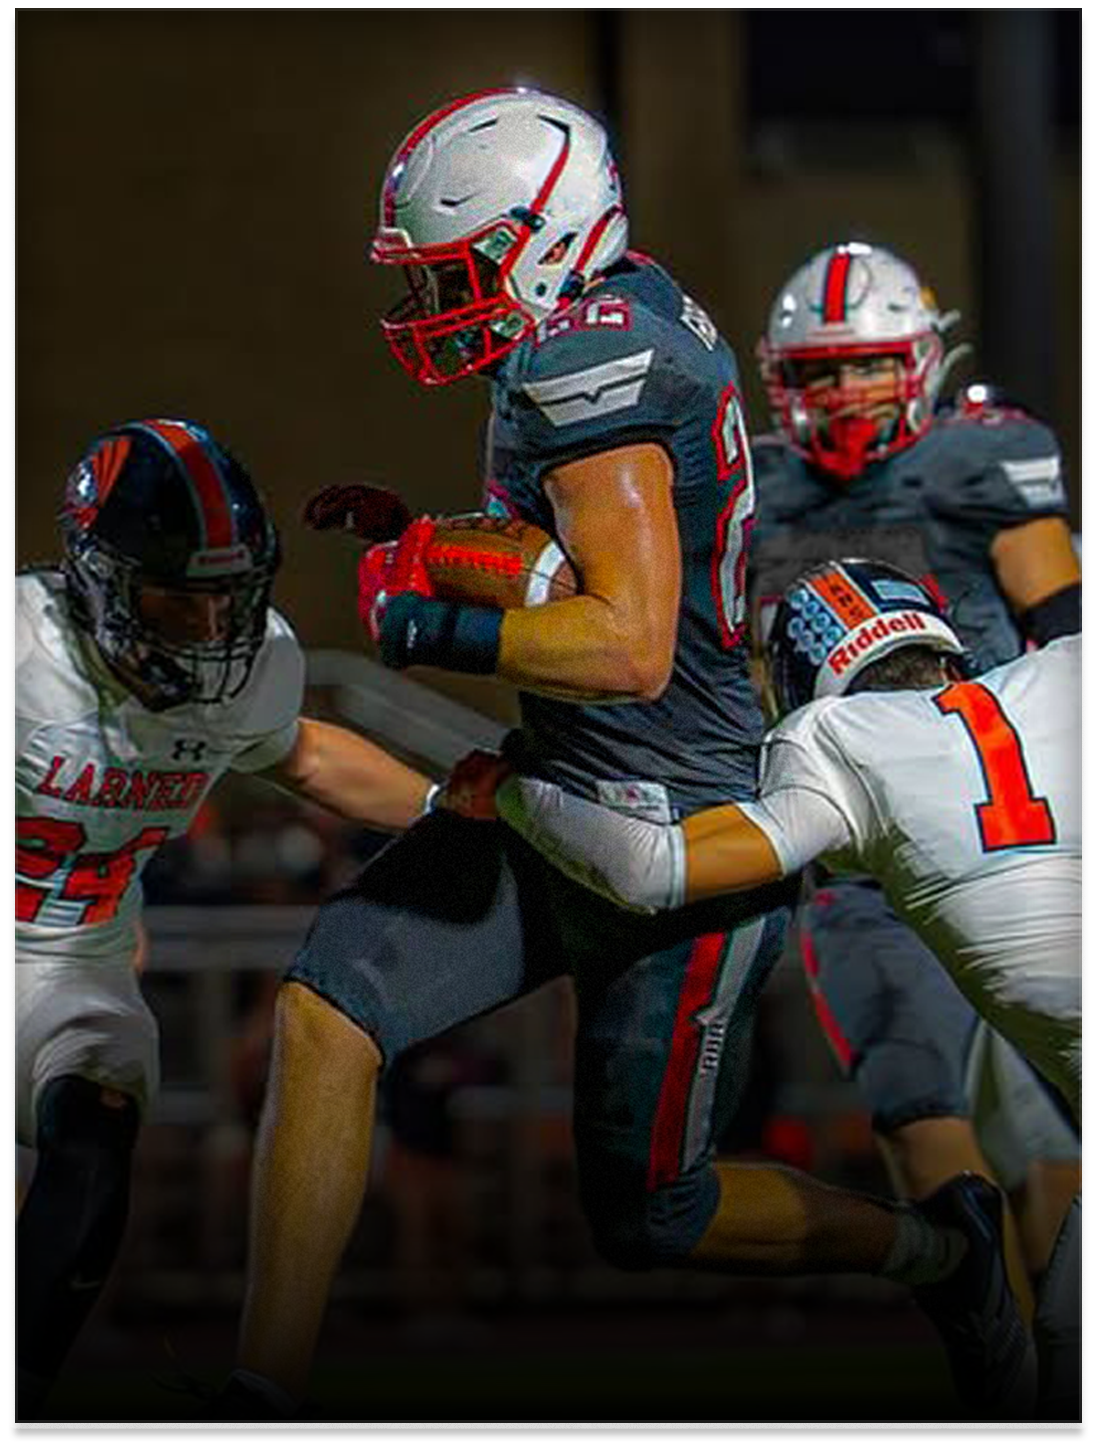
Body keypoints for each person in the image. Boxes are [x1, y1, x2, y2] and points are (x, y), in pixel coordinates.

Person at [215, 91, 1035, 1421]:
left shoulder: (587, 365)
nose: (433, 299)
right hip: (555, 794)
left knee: (654, 1212)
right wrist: (432, 540)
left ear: (542, 244)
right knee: (327, 1013)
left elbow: (626, 643)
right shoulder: (606, 317)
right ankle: (264, 1386)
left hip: (677, 834)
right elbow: (578, 558)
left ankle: (939, 1252)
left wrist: (431, 622)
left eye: (455, 269)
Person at [459, 557, 1080, 1417]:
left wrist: (513, 795)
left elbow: (651, 869)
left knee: (1061, 1360)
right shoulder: (1065, 669)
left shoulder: (831, 737)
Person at [14, 417, 437, 1419]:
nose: (209, 629)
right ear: (100, 584)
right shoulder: (25, 652)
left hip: (75, 959)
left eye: (227, 598)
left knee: (96, 1128)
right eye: (178, 598)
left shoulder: (252, 669)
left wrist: (452, 808)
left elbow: (304, 756)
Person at [746, 241, 1081, 1354]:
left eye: (867, 366)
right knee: (916, 1114)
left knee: (1048, 1147)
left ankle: (1054, 1370)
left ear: (923, 363)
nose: (845, 392)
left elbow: (1067, 633)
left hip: (1000, 831)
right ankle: (1004, 1369)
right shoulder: (749, 492)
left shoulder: (982, 463)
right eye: (822, 371)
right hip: (854, 851)